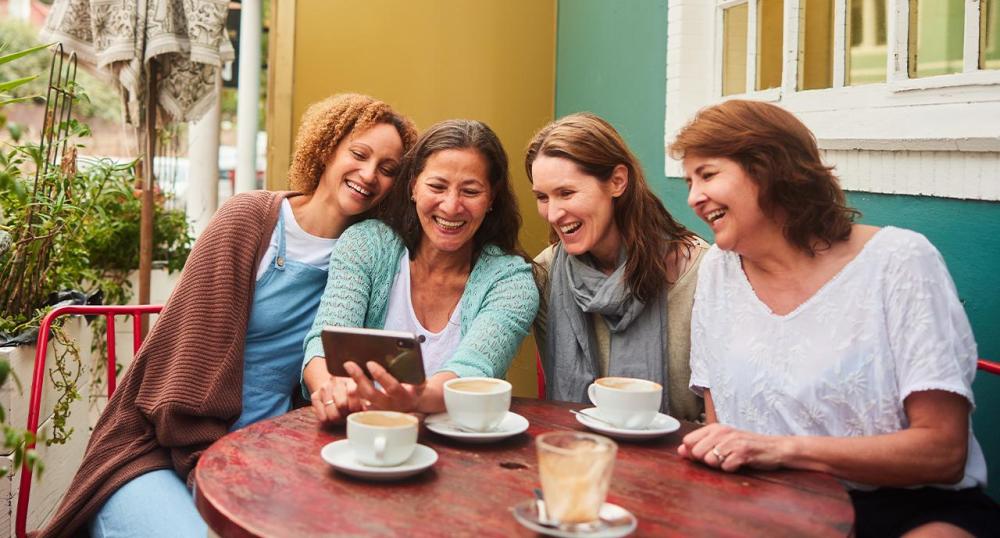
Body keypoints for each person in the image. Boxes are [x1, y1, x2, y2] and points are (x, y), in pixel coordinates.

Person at [37, 94, 417, 538]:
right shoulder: (250, 219)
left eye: (388, 169)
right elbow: (178, 378)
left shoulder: (368, 257)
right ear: (327, 147)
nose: (370, 175)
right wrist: (216, 464)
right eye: (358, 154)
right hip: (161, 449)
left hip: (271, 453)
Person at [671, 99, 1000, 537]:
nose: (694, 197)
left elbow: (943, 451)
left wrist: (781, 450)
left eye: (708, 175)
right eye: (690, 181)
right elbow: (721, 429)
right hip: (767, 508)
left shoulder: (899, 261)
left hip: (906, 510)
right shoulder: (718, 270)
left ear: (769, 168)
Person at [302, 119, 539, 421]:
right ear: (413, 185)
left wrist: (410, 398)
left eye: (470, 191)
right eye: (437, 186)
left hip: (460, 450)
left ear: (491, 198)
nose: (451, 206)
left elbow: (473, 370)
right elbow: (324, 341)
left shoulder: (511, 281)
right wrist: (330, 388)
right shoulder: (367, 245)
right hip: (360, 435)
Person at [525, 113, 707, 422]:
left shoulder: (700, 272)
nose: (553, 213)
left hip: (678, 460)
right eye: (543, 197)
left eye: (566, 193)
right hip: (580, 453)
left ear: (617, 181)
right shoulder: (545, 275)